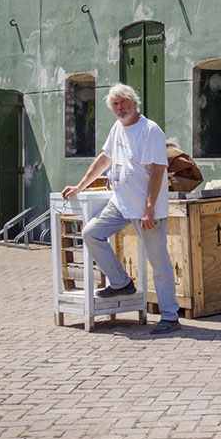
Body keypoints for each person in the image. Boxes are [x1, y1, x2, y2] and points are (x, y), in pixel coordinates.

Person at [63, 83, 181, 334]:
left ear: (134, 103)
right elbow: (104, 159)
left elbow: (158, 170)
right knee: (91, 233)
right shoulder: (117, 128)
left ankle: (170, 316)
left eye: (123, 102)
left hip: (145, 210)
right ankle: (120, 282)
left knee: (158, 262)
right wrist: (81, 186)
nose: (119, 108)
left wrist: (149, 209)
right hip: (120, 203)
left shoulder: (150, 130)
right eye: (115, 104)